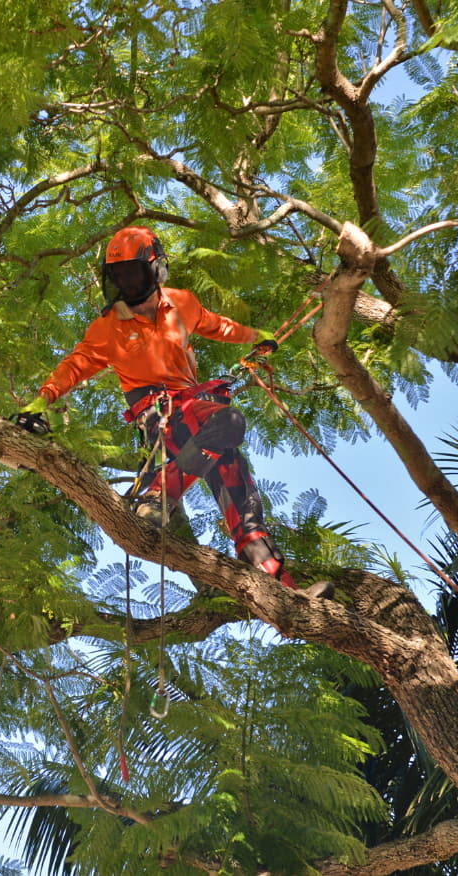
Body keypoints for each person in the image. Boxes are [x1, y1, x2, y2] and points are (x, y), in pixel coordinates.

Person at [20, 226, 330, 597]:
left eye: (134, 273)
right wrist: (41, 400)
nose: (128, 283)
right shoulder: (107, 329)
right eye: (120, 276)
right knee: (227, 423)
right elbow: (74, 366)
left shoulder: (182, 303)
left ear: (155, 269)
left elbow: (217, 325)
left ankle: (282, 589)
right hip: (159, 414)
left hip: (195, 408)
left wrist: (254, 334)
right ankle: (157, 495)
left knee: (234, 471)